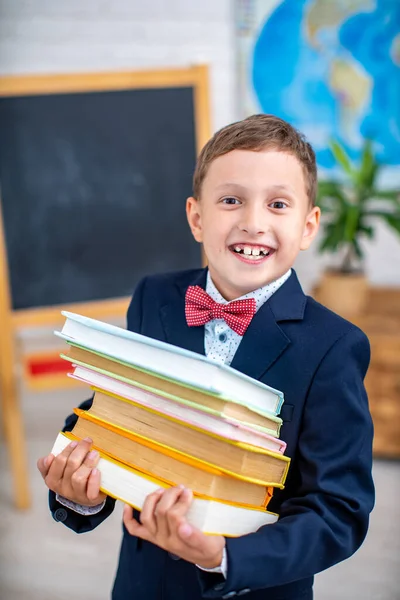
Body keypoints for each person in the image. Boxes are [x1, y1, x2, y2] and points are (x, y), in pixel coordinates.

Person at [37, 114, 374, 600]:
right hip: (142, 584)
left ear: (307, 225)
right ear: (197, 217)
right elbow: (117, 416)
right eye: (231, 200)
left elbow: (338, 510)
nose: (253, 222)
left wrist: (224, 557)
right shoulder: (153, 297)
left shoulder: (335, 347)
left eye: (278, 204)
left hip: (252, 588)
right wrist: (81, 491)